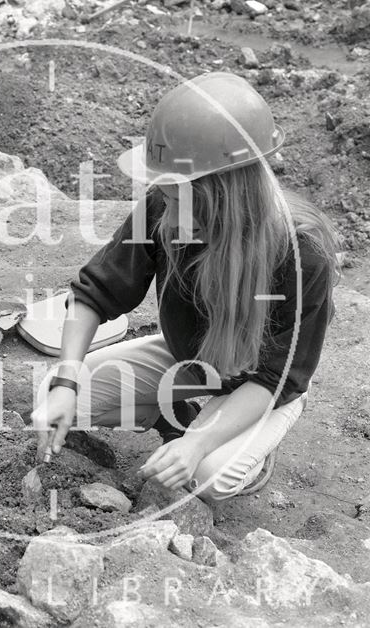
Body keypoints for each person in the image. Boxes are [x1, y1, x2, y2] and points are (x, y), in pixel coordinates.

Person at [31, 72, 339, 502]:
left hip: (260, 390)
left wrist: (198, 445)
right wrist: (65, 384)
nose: (167, 213)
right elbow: (93, 293)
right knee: (56, 398)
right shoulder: (165, 204)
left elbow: (276, 376)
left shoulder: (301, 255)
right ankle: (182, 413)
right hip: (187, 357)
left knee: (206, 477)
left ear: (223, 195)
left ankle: (236, 441)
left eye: (178, 198)